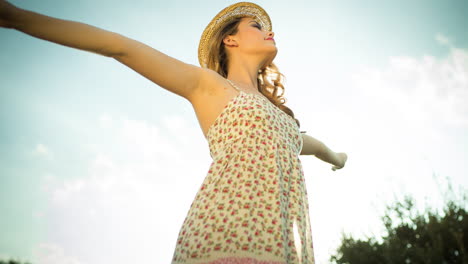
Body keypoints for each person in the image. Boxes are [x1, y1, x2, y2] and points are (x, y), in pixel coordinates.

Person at [0, 1, 347, 263]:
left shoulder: (282, 121)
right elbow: (121, 47)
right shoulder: (209, 86)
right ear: (230, 39)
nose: (269, 30)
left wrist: (337, 158)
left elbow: (313, 146)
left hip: (277, 244)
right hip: (222, 234)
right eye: (256, 25)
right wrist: (17, 17)